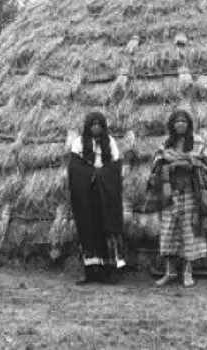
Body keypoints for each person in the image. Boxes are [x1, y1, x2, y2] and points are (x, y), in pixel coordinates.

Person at [147, 109, 207, 288]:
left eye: (184, 121)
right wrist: (170, 165)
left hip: (191, 193)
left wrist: (188, 162)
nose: (180, 124)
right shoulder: (166, 144)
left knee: (189, 231)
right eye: (177, 121)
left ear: (189, 124)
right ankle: (170, 272)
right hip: (170, 193)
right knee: (169, 230)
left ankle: (188, 272)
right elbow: (157, 162)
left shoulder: (198, 143)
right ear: (172, 125)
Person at [67, 111, 126, 284]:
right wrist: (90, 175)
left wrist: (100, 175)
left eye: (99, 125)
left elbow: (115, 168)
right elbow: (75, 169)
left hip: (106, 195)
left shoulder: (110, 143)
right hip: (87, 194)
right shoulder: (78, 143)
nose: (96, 128)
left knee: (107, 228)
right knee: (88, 228)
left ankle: (109, 270)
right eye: (92, 125)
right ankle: (91, 271)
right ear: (87, 126)